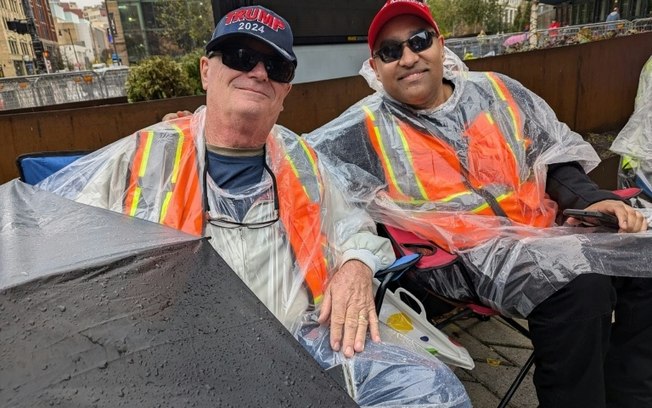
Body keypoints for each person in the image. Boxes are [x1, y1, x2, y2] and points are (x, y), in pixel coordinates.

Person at [36, 5, 471, 407]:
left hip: (300, 349)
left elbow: (357, 229)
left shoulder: (302, 159)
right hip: (175, 364)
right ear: (206, 71)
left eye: (276, 66)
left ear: (285, 90)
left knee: (432, 390)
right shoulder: (144, 156)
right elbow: (62, 248)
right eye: (241, 56)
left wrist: (357, 266)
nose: (259, 72)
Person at [303, 1, 652, 407]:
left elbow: (552, 158)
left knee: (643, 253)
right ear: (375, 67)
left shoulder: (497, 91)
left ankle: (631, 397)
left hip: (545, 231)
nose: (409, 57)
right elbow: (300, 167)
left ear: (441, 45)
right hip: (458, 258)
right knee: (582, 287)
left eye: (419, 41)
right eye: (391, 50)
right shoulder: (365, 128)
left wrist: (594, 201)